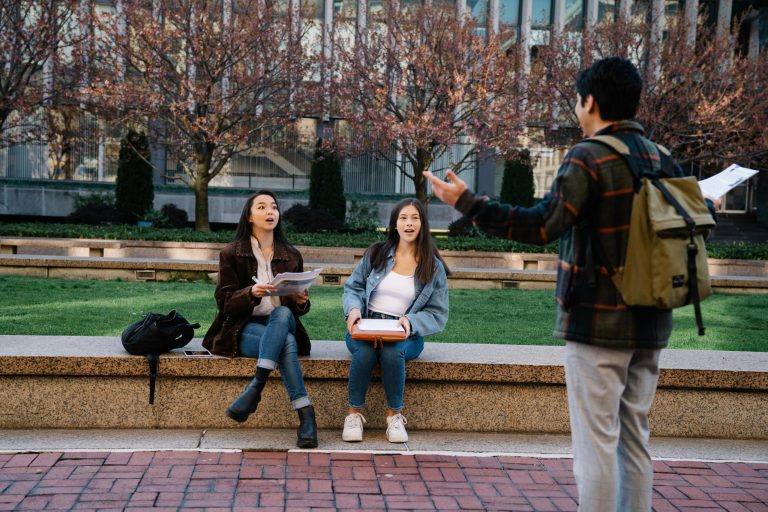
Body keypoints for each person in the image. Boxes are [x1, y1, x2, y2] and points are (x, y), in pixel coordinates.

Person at [425, 57, 718, 511]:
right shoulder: (663, 158)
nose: (577, 111)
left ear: (592, 102)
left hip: (598, 322)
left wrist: (469, 202)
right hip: (653, 320)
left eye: (578, 102)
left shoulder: (590, 156)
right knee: (634, 437)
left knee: (596, 442)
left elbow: (542, 225)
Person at [202, 190, 318, 449]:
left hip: (281, 319)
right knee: (285, 342)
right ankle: (306, 414)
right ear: (249, 216)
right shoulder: (231, 253)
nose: (270, 212)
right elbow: (224, 302)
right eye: (262, 207)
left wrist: (301, 301)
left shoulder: (291, 254)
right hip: (243, 329)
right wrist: (251, 293)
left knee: (283, 313)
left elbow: (298, 308)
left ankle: (256, 386)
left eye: (274, 207)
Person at [341, 198, 449, 443]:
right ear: (395, 224)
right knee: (366, 353)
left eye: (414, 218)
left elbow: (437, 312)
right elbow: (353, 287)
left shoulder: (433, 267)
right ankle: (353, 414)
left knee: (392, 351)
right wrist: (354, 311)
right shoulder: (376, 253)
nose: (409, 223)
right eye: (403, 218)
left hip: (405, 332)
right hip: (366, 325)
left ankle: (395, 417)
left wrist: (410, 322)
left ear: (423, 224)